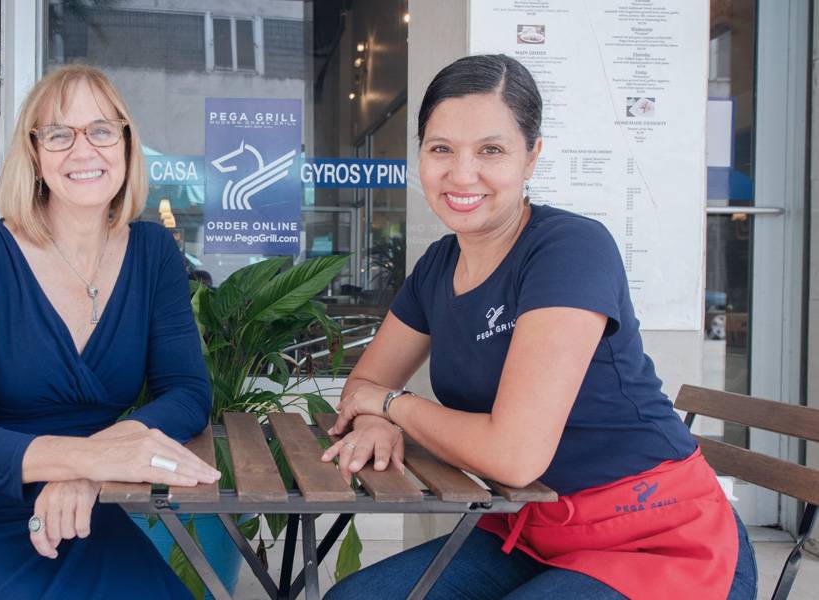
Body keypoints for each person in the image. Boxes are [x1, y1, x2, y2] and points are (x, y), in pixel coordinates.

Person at [321, 55, 757, 599]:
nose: (462, 173)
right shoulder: (436, 266)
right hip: (529, 531)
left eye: (491, 150)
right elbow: (362, 386)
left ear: (532, 157)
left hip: (656, 537)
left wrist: (393, 407)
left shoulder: (570, 250)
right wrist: (375, 417)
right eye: (441, 149)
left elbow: (513, 456)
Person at [0, 65, 220, 599]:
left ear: (125, 143)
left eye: (101, 130)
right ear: (34, 153)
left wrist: (89, 467)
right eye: (58, 134)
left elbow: (188, 392)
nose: (83, 149)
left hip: (70, 509)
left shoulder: (153, 253)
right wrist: (91, 459)